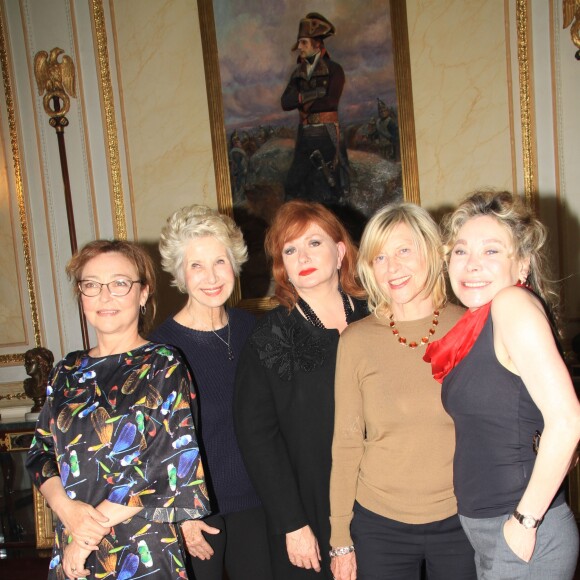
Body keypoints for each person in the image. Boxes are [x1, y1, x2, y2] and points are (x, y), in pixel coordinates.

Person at [26, 240, 209, 580]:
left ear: (143, 293)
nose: (104, 296)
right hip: (74, 541)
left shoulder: (163, 364)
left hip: (142, 547)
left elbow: (165, 467)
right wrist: (69, 515)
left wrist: (87, 535)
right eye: (91, 285)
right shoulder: (66, 371)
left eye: (119, 283)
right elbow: (39, 454)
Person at [424, 190, 580, 579]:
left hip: (521, 527)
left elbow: (568, 420)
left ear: (522, 265)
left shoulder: (511, 304)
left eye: (491, 251)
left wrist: (525, 521)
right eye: (460, 251)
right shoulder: (478, 323)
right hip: (491, 528)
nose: (472, 264)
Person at [329, 203, 476, 580]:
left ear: (429, 250)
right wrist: (340, 539)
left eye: (403, 251)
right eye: (379, 257)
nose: (391, 267)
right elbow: (346, 446)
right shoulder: (357, 340)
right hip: (380, 524)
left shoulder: (472, 326)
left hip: (462, 519)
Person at [233, 200, 367, 579]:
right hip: (308, 508)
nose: (302, 256)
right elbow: (256, 438)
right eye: (290, 250)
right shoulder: (270, 335)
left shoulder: (377, 315)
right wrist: (292, 523)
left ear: (340, 251)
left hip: (382, 502)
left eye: (314, 243)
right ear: (283, 266)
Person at [150, 205, 272, 580]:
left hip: (259, 504)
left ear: (235, 263)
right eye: (196, 265)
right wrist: (181, 515)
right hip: (197, 515)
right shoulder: (160, 349)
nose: (211, 277)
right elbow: (154, 447)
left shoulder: (254, 328)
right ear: (180, 274)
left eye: (220, 261)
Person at [281, 13, 349, 203]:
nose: (299, 48)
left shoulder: (335, 69)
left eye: (303, 43)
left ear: (317, 44)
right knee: (294, 185)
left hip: (327, 133)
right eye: (299, 43)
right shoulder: (298, 73)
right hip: (305, 133)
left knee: (328, 185)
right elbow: (285, 102)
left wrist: (300, 100)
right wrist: (310, 95)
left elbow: (331, 102)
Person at [23, 346, 54, 413]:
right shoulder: (28, 385)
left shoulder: (52, 384)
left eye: (30, 362)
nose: (25, 365)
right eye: (26, 362)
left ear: (41, 364)